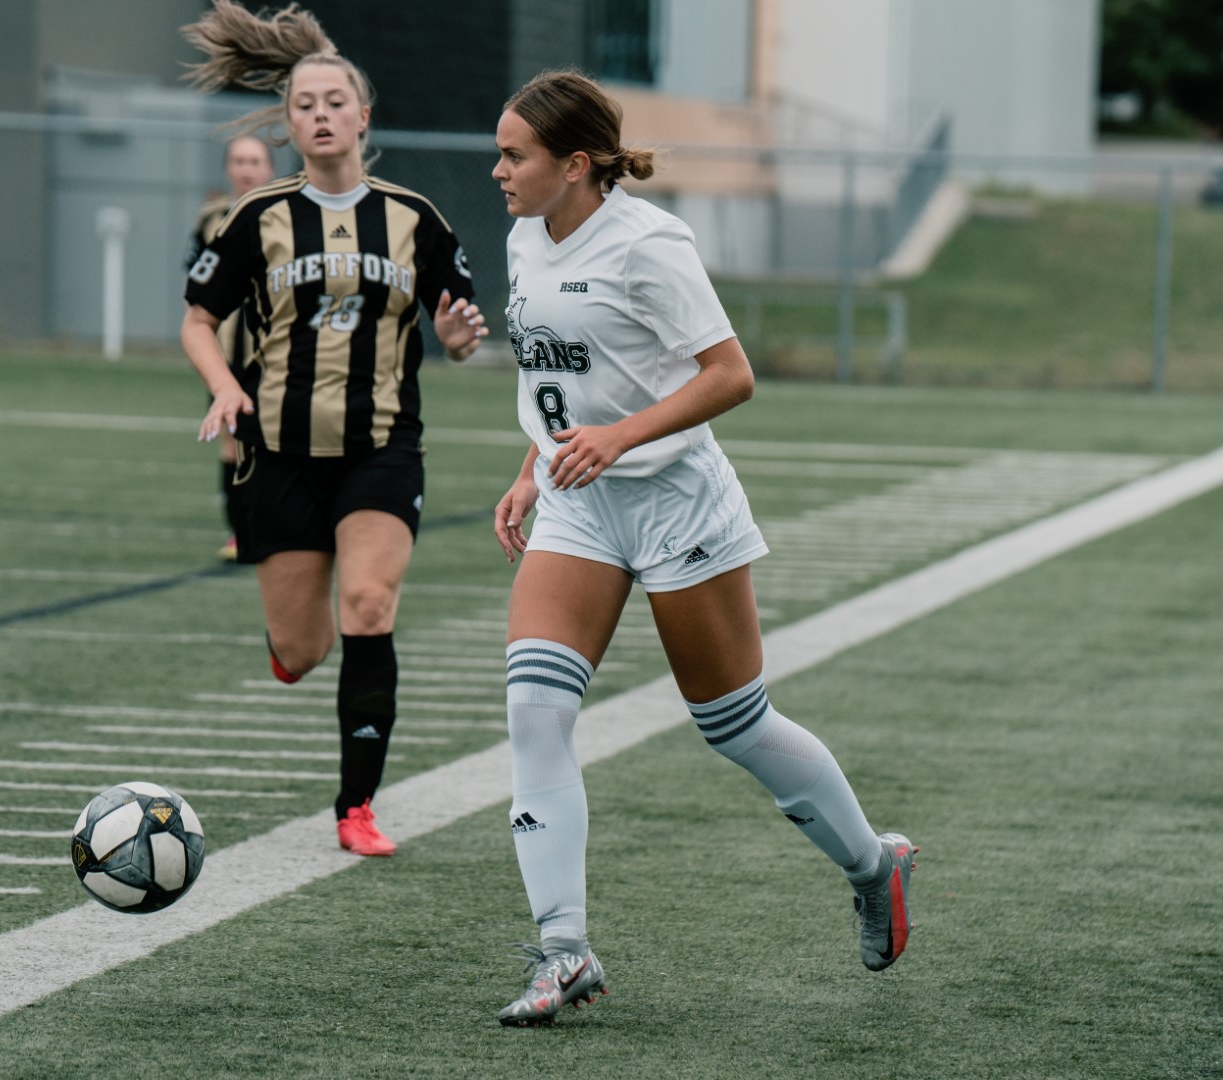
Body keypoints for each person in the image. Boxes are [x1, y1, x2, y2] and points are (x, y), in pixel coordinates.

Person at [487, 69, 916, 1026]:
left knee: (733, 724)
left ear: (576, 164)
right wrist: (533, 467)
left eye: (514, 155)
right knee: (533, 711)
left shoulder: (649, 242)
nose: (498, 171)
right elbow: (566, 376)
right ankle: (563, 949)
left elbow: (729, 375)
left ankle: (871, 865)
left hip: (677, 503)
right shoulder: (524, 236)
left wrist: (620, 438)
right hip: (579, 503)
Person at [178, 0, 489, 858]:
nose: (319, 115)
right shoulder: (257, 218)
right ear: (287, 125)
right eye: (303, 105)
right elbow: (198, 320)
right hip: (279, 456)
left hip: (381, 451)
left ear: (362, 116)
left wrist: (458, 337)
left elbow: (460, 329)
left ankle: (356, 806)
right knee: (302, 648)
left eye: (333, 102)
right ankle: (290, 650)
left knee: (368, 605)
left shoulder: (414, 217)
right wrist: (223, 388)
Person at [186, 135, 276, 561]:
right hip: (227, 355)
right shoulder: (211, 219)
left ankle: (276, 528)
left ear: (269, 168)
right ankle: (240, 534)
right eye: (239, 160)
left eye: (255, 161)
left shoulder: (285, 214)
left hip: (275, 355)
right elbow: (195, 288)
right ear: (227, 168)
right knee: (232, 443)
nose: (246, 169)